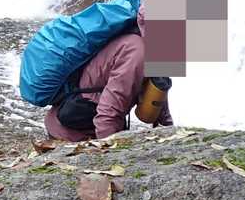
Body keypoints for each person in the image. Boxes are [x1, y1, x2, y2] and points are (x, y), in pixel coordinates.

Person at [44, 9, 175, 142]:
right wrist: (112, 150)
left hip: (90, 126)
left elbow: (158, 90)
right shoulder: (136, 52)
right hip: (72, 135)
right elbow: (108, 113)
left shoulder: (155, 41)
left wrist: (170, 132)